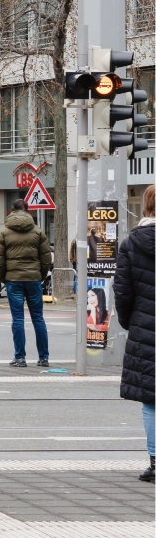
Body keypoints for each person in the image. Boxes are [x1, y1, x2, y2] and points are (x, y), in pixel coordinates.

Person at [114, 184, 156, 483]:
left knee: (152, 400)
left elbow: (123, 292)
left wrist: (132, 322)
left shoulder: (131, 243)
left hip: (146, 327)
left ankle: (155, 462)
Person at [0, 197, 52, 368]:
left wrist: (4, 277)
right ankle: (43, 358)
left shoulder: (3, 232)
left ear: (12, 210)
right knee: (38, 318)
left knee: (18, 319)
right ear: (28, 210)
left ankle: (20, 358)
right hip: (33, 279)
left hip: (14, 280)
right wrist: (40, 275)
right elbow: (46, 258)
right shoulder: (38, 232)